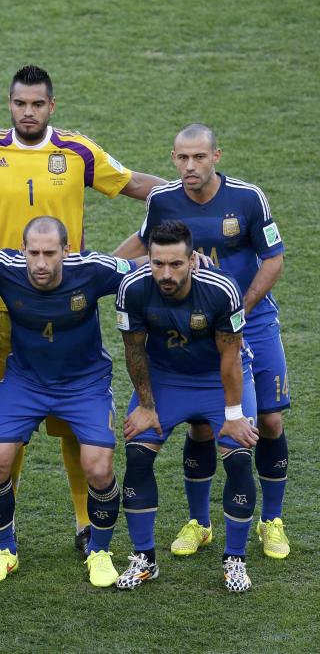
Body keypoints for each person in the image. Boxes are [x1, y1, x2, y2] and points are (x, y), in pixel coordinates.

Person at [0, 65, 166, 553]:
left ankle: (85, 523)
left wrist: (189, 198)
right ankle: (1, 532)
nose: (27, 112)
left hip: (68, 304)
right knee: (7, 421)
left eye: (36, 104)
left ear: (52, 107)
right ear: (9, 105)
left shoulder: (77, 151)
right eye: (19, 103)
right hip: (0, 305)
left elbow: (138, 186)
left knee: (78, 422)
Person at [114, 123, 289, 559]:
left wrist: (240, 311)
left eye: (199, 157)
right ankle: (199, 522)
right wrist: (95, 267)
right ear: (173, 159)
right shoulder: (162, 199)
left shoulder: (248, 199)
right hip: (192, 325)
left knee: (266, 422)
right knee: (200, 422)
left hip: (253, 320)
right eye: (181, 158)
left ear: (217, 157)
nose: (190, 166)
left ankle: (272, 521)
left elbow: (274, 259)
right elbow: (143, 242)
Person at [0, 216, 139, 587]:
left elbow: (141, 267)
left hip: (84, 384)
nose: (40, 263)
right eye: (33, 253)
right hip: (25, 382)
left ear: (66, 251)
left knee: (98, 468)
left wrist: (189, 261)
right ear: (22, 251)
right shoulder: (4, 266)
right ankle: (3, 549)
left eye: (49, 253)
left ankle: (100, 551)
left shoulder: (93, 269)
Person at [115, 220, 259, 592]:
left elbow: (230, 357)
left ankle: (235, 559)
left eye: (175, 264)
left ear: (193, 261)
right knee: (138, 453)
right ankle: (145, 559)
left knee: (239, 454)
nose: (165, 273)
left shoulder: (222, 289)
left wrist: (232, 416)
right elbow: (133, 350)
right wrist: (146, 405)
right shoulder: (132, 288)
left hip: (218, 377)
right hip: (166, 379)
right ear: (147, 258)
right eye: (157, 263)